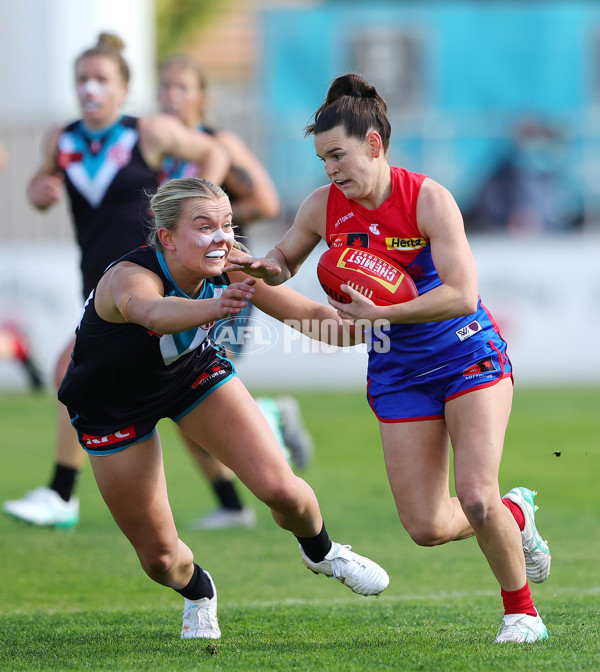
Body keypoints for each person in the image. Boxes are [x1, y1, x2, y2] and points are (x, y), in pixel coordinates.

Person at [227, 73, 552, 644]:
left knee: (475, 495)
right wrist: (258, 267)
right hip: (398, 371)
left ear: (374, 144)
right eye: (323, 159)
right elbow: (284, 260)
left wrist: (383, 317)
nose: (330, 169)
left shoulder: (428, 198)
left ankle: (522, 613)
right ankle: (516, 513)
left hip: (465, 354)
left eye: (338, 155)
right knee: (426, 527)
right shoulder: (322, 207)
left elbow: (462, 294)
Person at [56, 176, 389, 639]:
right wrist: (216, 309)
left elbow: (315, 321)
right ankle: (198, 590)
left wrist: (379, 319)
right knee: (160, 559)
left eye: (228, 224)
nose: (222, 237)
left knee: (285, 492)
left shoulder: (232, 267)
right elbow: (153, 314)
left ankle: (323, 552)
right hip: (112, 408)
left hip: (190, 375)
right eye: (205, 226)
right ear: (167, 237)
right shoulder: (130, 277)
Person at [2, 33, 230, 529]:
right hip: (103, 285)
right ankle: (232, 496)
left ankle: (61, 495)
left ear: (124, 88)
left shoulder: (147, 131)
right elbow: (43, 189)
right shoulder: (60, 140)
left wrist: (190, 206)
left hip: (150, 276)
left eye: (101, 79)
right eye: (82, 79)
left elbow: (213, 156)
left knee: (72, 365)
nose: (90, 89)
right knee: (170, 385)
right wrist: (39, 192)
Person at [157, 53, 313, 530]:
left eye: (182, 87)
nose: (171, 96)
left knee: (193, 384)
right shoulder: (158, 153)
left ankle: (269, 416)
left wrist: (207, 220)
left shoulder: (218, 143)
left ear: (202, 97)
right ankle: (229, 503)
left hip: (224, 276)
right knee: (178, 392)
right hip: (177, 281)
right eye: (165, 87)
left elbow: (265, 201)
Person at [463, 119, 583, 235]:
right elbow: (484, 215)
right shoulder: (498, 179)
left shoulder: (556, 179)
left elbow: (568, 216)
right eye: (529, 139)